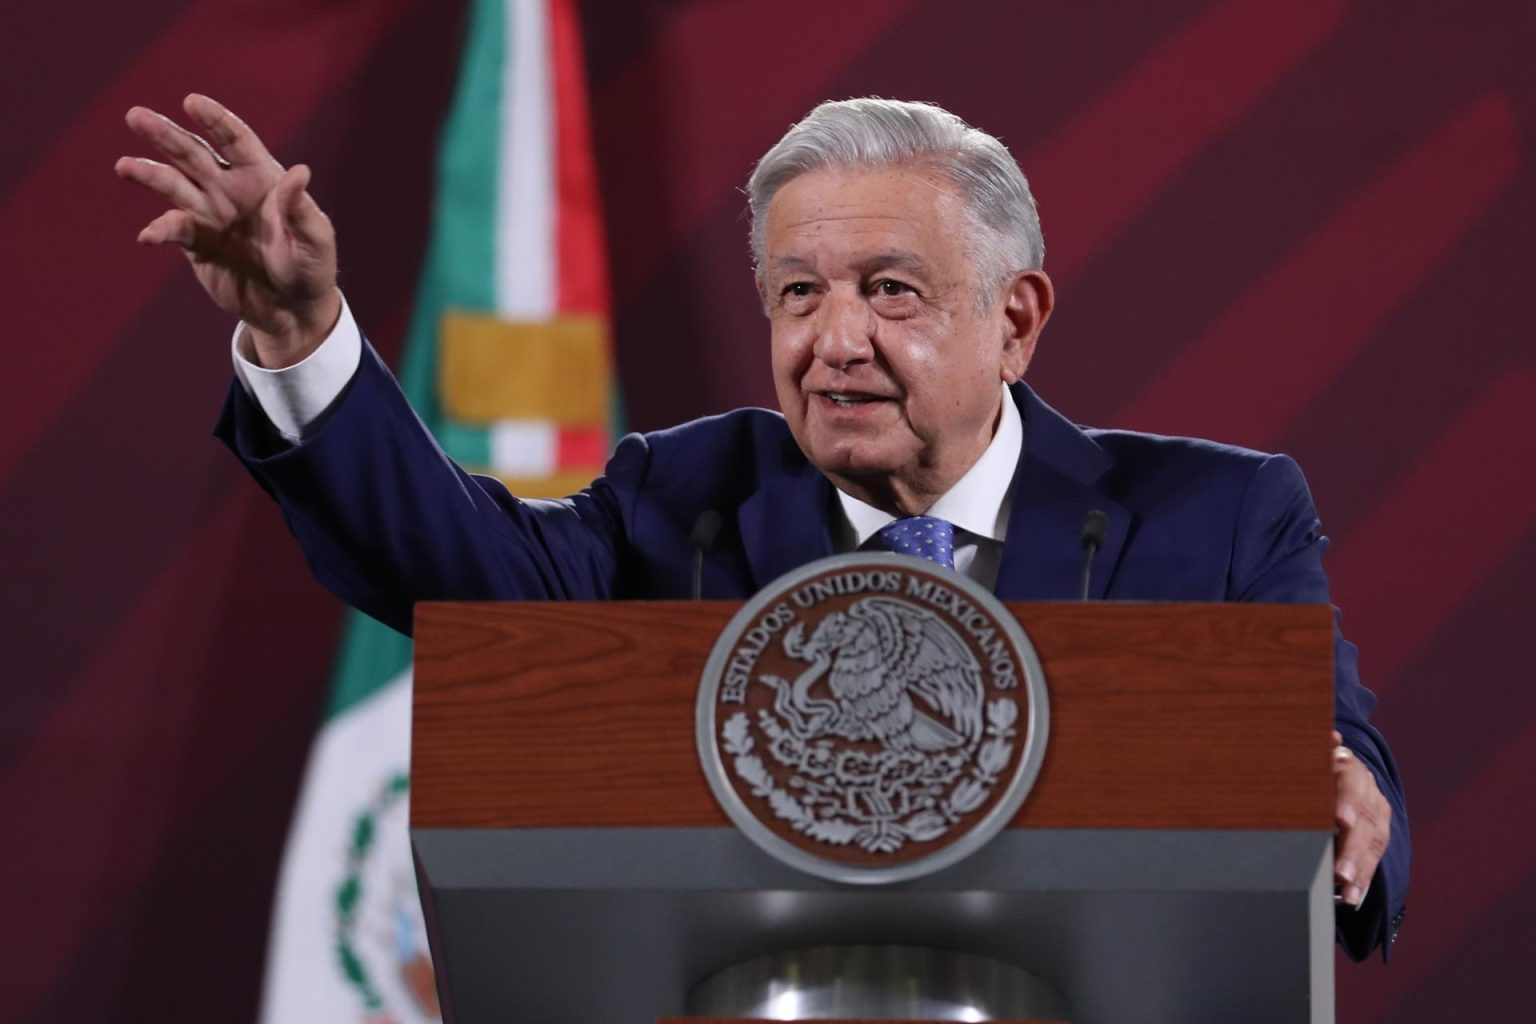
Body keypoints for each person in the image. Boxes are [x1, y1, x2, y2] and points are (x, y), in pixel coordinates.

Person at [116, 93, 1407, 960]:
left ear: (1015, 321)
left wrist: (1344, 789)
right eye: (799, 293)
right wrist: (299, 336)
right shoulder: (680, 503)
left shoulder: (1218, 516)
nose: (833, 341)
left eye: (890, 291)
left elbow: (1319, 742)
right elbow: (451, 571)